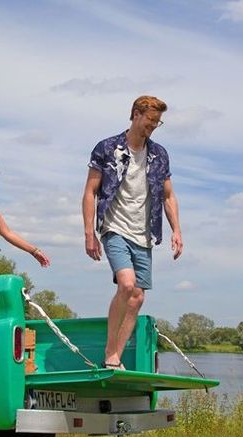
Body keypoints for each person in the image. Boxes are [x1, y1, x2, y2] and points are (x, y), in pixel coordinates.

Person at [82, 95, 183, 370]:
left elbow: (168, 196)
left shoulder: (159, 154)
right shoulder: (106, 148)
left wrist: (177, 230)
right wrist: (89, 233)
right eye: (151, 120)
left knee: (137, 296)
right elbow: (90, 192)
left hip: (145, 233)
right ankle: (109, 352)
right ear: (136, 114)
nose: (153, 126)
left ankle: (116, 354)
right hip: (114, 226)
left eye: (157, 123)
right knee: (126, 284)